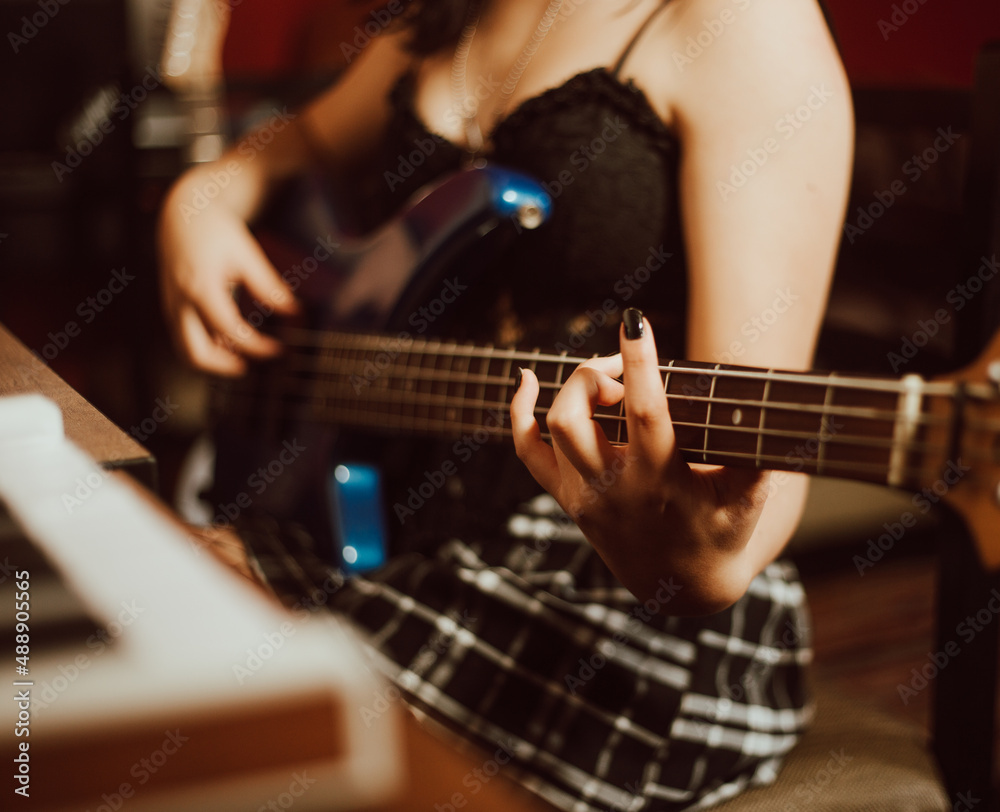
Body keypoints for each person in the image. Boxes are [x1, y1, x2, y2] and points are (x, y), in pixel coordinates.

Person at [157, 0, 853, 809]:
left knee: (210, 725)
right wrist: (203, 197)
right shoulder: (443, 15)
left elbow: (765, 467)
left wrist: (700, 568)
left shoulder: (743, 22)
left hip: (605, 607)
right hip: (383, 541)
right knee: (136, 604)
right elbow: (306, 136)